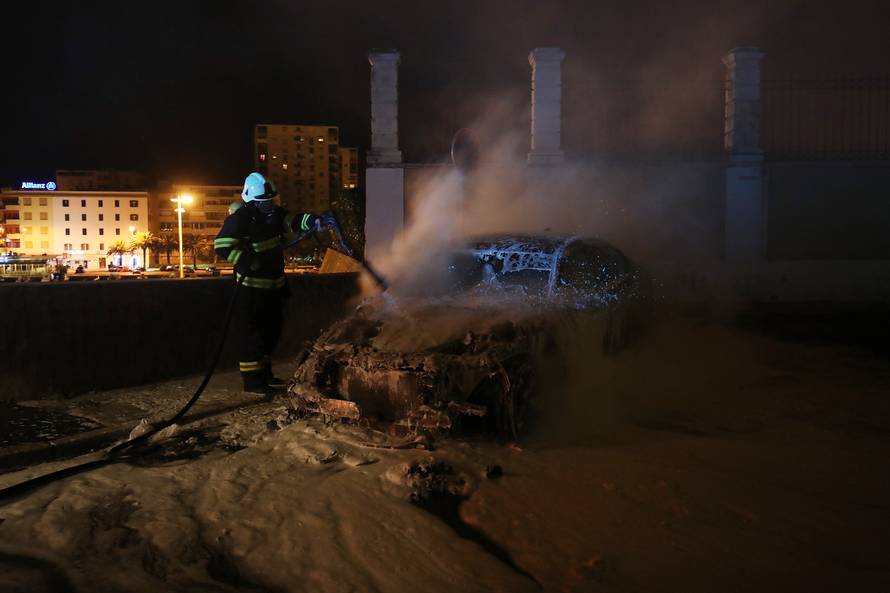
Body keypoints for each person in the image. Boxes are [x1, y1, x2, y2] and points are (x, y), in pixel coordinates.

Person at [214, 172, 322, 395]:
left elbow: (290, 220)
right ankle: (253, 382)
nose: (270, 205)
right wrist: (245, 260)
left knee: (270, 333)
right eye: (265, 202)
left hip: (275, 286)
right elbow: (222, 245)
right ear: (253, 201)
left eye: (272, 201)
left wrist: (311, 220)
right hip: (251, 289)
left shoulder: (273, 215)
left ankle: (265, 374)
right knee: (252, 336)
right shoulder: (241, 218)